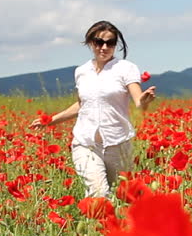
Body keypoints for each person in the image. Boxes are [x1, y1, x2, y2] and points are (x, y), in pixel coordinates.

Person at [30, 20, 156, 197]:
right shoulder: (82, 71)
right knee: (98, 193)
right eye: (99, 42)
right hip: (86, 144)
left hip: (118, 143)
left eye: (110, 43)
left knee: (122, 196)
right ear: (90, 43)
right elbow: (82, 104)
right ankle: (98, 224)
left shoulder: (126, 68)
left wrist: (145, 100)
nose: (104, 47)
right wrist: (51, 120)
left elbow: (138, 100)